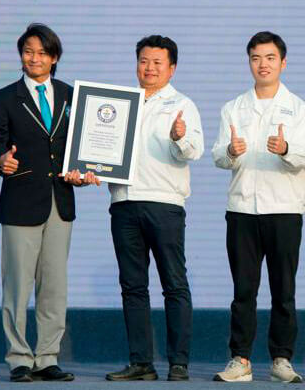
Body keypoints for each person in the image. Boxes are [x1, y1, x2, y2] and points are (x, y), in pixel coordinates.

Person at [0, 23, 99, 383]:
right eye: (28, 51)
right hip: (20, 202)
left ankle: (47, 357)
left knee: (54, 286)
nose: (34, 58)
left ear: (54, 57)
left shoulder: (71, 95)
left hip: (60, 201)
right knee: (17, 286)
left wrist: (84, 171)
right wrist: (0, 159)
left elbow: (81, 146)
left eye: (42, 52)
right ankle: (19, 358)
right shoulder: (4, 97)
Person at [211, 31, 305, 383]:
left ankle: (281, 360)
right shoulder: (233, 107)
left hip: (284, 209)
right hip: (242, 209)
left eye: (270, 58)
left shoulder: (299, 108)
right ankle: (240, 359)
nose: (263, 65)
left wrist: (285, 149)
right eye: (256, 58)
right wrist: (231, 151)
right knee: (243, 291)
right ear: (249, 62)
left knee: (283, 291)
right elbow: (218, 156)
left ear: (283, 63)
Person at [105, 35, 203, 382]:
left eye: (157, 63)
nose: (149, 68)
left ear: (171, 68)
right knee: (132, 286)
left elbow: (194, 150)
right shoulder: (118, 105)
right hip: (124, 203)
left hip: (164, 204)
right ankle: (141, 363)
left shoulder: (183, 105)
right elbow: (103, 150)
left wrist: (179, 136)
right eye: (144, 61)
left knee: (174, 284)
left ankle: (179, 362)